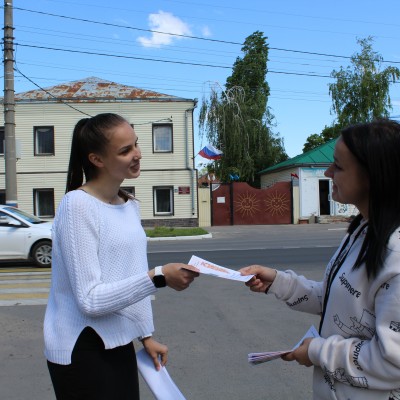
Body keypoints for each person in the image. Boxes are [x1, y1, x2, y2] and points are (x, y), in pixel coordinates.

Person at [240, 119, 400, 400]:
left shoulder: (395, 254)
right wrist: (277, 282)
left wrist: (317, 351)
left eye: (338, 166)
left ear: (372, 176)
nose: (327, 172)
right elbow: (336, 300)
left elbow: (392, 361)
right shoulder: (363, 230)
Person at [43, 113, 199, 400]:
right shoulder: (77, 205)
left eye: (136, 144)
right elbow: (90, 299)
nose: (137, 154)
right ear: (97, 159)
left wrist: (146, 336)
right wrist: (159, 276)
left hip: (119, 342)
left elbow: (132, 273)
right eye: (125, 150)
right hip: (82, 348)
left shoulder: (129, 204)